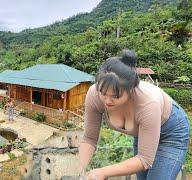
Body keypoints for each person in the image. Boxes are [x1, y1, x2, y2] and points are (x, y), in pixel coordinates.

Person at [79, 49, 190, 180]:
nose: (107, 101)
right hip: (144, 132)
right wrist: (81, 172)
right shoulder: (94, 94)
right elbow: (89, 139)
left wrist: (103, 172)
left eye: (116, 96)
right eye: (103, 93)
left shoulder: (147, 103)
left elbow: (144, 159)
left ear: (131, 89)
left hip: (171, 132)